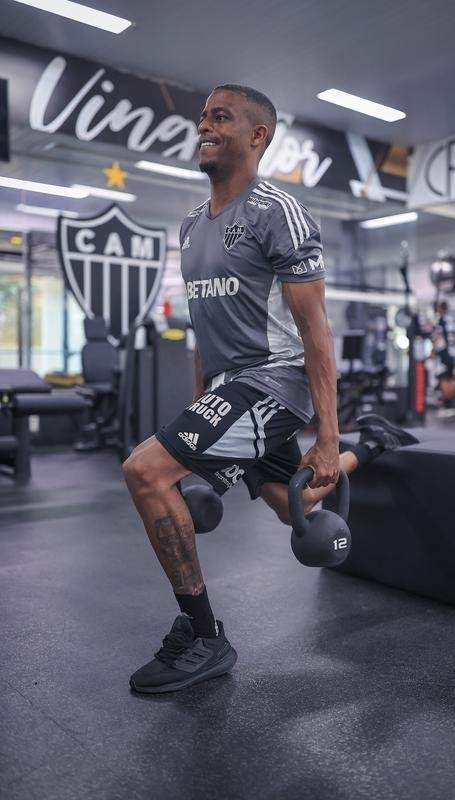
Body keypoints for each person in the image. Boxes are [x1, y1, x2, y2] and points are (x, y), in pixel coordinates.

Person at [123, 84, 417, 694]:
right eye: (203, 117)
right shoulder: (190, 227)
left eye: (220, 117)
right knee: (292, 505)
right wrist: (201, 405)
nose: (204, 126)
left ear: (257, 136)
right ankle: (376, 445)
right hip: (229, 389)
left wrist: (327, 438)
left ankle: (205, 636)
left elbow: (316, 332)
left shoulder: (277, 212)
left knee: (145, 473)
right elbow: (204, 330)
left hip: (275, 383)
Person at [433, 300, 455, 417]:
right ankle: (451, 404)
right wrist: (453, 347)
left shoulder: (441, 321)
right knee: (450, 378)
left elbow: (438, 337)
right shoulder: (451, 320)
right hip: (451, 353)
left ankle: (447, 405)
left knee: (443, 379)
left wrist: (433, 351)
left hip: (443, 353)